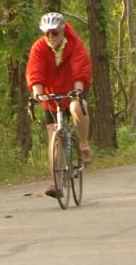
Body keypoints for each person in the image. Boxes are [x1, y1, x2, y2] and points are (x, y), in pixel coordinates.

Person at [26, 11, 92, 198]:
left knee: (76, 107)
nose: (51, 37)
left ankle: (84, 144)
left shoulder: (74, 43)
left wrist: (78, 90)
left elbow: (81, 67)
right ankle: (57, 182)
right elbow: (34, 70)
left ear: (62, 30)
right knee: (54, 133)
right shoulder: (39, 47)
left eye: (54, 32)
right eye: (47, 33)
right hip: (51, 94)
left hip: (72, 89)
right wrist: (38, 94)